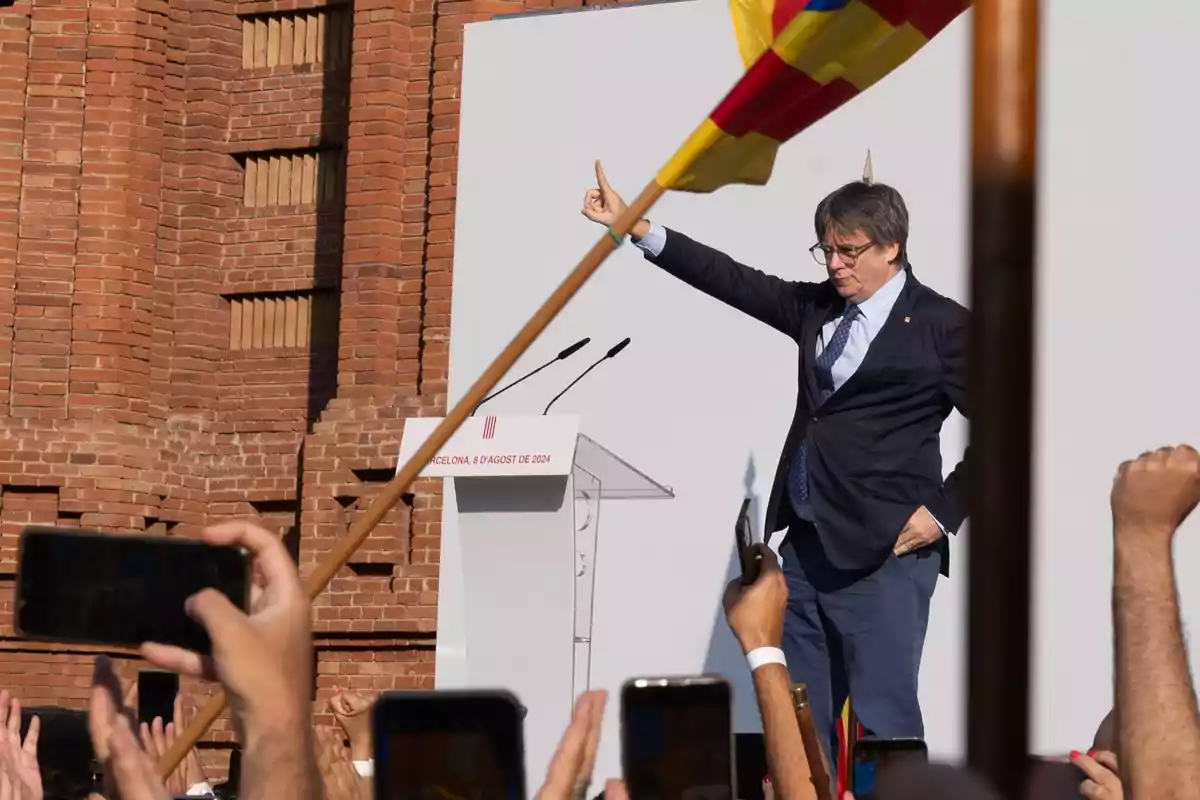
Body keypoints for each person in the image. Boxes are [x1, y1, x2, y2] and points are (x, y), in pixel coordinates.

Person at [581, 161, 970, 761]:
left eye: (848, 250)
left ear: (891, 247)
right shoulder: (815, 309)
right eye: (826, 250)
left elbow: (1006, 432)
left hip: (887, 554)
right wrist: (638, 228)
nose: (835, 264)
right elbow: (731, 279)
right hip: (807, 548)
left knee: (883, 719)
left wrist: (942, 513)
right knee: (797, 720)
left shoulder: (944, 327)